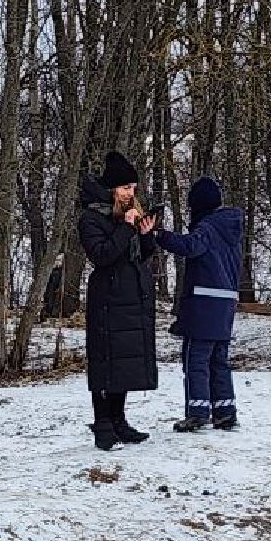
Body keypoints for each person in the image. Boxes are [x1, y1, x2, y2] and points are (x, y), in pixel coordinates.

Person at [78, 151, 160, 451]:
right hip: (107, 299)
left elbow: (139, 255)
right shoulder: (91, 217)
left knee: (124, 362)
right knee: (106, 361)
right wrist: (126, 228)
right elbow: (102, 255)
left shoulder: (130, 213)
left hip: (131, 297)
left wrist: (146, 235)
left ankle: (119, 420)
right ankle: (103, 425)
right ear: (112, 188)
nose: (131, 194)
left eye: (133, 188)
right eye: (126, 188)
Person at [156, 176, 243, 432]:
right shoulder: (232, 229)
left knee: (195, 359)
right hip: (225, 305)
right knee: (219, 360)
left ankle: (198, 412)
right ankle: (225, 412)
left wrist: (160, 235)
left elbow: (190, 246)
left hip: (204, 304)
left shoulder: (208, 227)